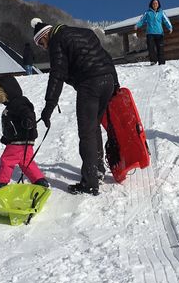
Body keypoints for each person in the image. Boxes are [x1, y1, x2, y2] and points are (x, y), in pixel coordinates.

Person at [31, 17, 120, 196]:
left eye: (41, 43)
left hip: (90, 83)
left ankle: (89, 182)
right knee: (94, 126)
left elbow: (57, 74)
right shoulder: (84, 32)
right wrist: (115, 82)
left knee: (86, 132)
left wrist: (49, 106)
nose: (43, 47)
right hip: (107, 80)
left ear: (46, 34)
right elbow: (105, 56)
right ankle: (98, 169)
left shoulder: (57, 40)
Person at [0, 75, 48, 192]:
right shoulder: (13, 104)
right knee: (26, 162)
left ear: (7, 92)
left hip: (19, 141)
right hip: (24, 141)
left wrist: (28, 120)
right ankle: (39, 180)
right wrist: (6, 138)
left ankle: (2, 183)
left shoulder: (18, 103)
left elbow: (27, 112)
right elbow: (12, 125)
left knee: (7, 160)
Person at [134, 0, 173, 65]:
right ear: (151, 4)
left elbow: (166, 20)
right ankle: (153, 61)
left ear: (158, 4)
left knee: (160, 48)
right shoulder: (147, 13)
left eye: (156, 3)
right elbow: (142, 20)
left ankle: (161, 63)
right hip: (150, 33)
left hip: (159, 33)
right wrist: (137, 25)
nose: (155, 4)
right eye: (154, 3)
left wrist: (170, 27)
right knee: (151, 48)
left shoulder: (161, 12)